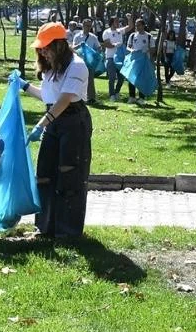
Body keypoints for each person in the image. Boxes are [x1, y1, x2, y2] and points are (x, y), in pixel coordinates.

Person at [19, 22, 93, 239]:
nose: (42, 51)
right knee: (45, 174)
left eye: (46, 47)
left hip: (73, 122)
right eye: (40, 48)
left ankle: (67, 233)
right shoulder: (51, 69)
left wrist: (41, 125)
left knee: (69, 175)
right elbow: (48, 97)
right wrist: (23, 86)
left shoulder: (77, 66)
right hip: (54, 120)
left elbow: (63, 102)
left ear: (60, 45)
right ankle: (45, 229)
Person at [71, 18, 100, 104]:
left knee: (90, 80)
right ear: (83, 26)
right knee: (78, 79)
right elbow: (72, 48)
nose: (88, 27)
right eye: (87, 26)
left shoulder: (93, 37)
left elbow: (98, 48)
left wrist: (96, 52)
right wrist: (80, 45)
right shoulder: (77, 36)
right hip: (79, 62)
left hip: (90, 62)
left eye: (90, 26)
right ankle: (78, 97)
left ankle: (91, 98)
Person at [126, 18, 153, 104]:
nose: (137, 27)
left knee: (142, 79)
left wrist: (147, 50)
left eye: (139, 25)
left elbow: (153, 48)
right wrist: (131, 50)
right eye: (136, 25)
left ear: (143, 25)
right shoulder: (133, 35)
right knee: (131, 78)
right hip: (134, 60)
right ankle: (132, 96)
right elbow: (128, 47)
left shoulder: (149, 36)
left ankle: (141, 98)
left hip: (144, 61)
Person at [102, 16, 128, 101]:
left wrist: (129, 18)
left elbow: (130, 26)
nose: (118, 23)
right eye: (116, 21)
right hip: (110, 58)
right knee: (112, 78)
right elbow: (106, 44)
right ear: (112, 22)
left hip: (120, 58)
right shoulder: (107, 32)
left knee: (121, 78)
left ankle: (117, 92)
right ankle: (111, 95)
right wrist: (115, 45)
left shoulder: (120, 31)